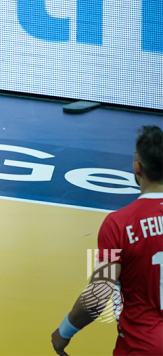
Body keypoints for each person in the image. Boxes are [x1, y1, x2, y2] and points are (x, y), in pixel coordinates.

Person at [50, 125, 163, 356]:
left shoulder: (118, 224)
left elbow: (98, 296)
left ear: (137, 167)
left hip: (142, 348)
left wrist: (64, 332)